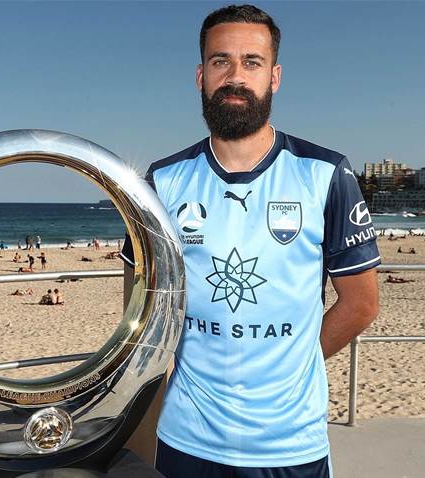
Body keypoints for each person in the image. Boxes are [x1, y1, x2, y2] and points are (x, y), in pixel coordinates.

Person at [120, 6, 379, 476]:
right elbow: (138, 304)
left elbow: (361, 304)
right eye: (220, 62)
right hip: (186, 437)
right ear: (200, 75)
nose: (235, 76)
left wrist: (294, 359)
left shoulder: (325, 173)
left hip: (290, 442)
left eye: (251, 62)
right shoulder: (162, 181)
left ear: (274, 76)